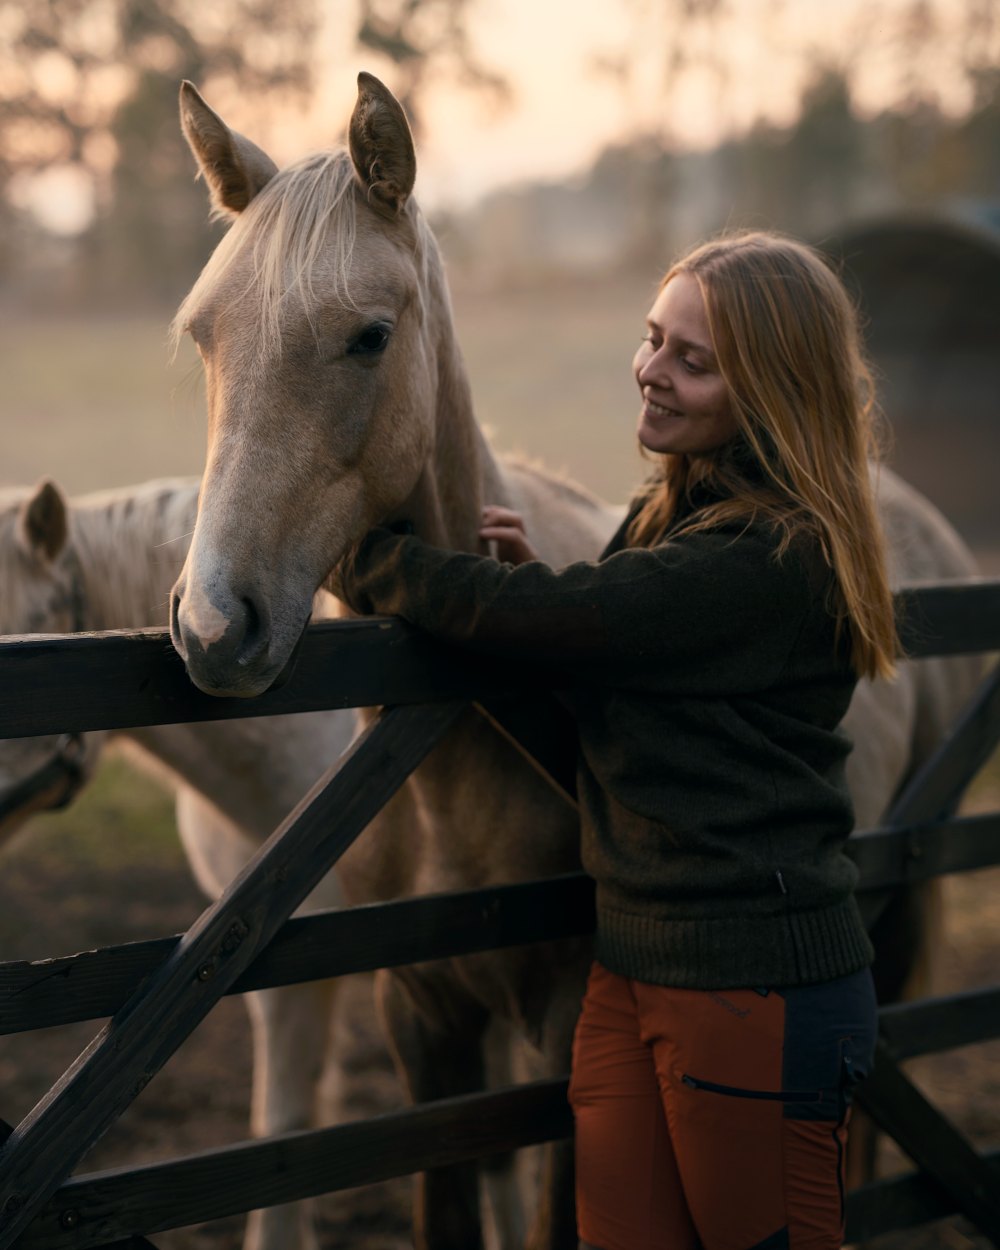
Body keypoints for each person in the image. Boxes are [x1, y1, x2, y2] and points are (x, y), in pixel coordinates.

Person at [335, 230, 894, 1250]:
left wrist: (363, 553)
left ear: (770, 389)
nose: (652, 371)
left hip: (750, 989)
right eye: (653, 339)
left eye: (696, 360)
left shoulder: (769, 554)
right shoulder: (666, 518)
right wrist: (515, 618)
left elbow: (573, 619)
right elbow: (595, 741)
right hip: (633, 973)